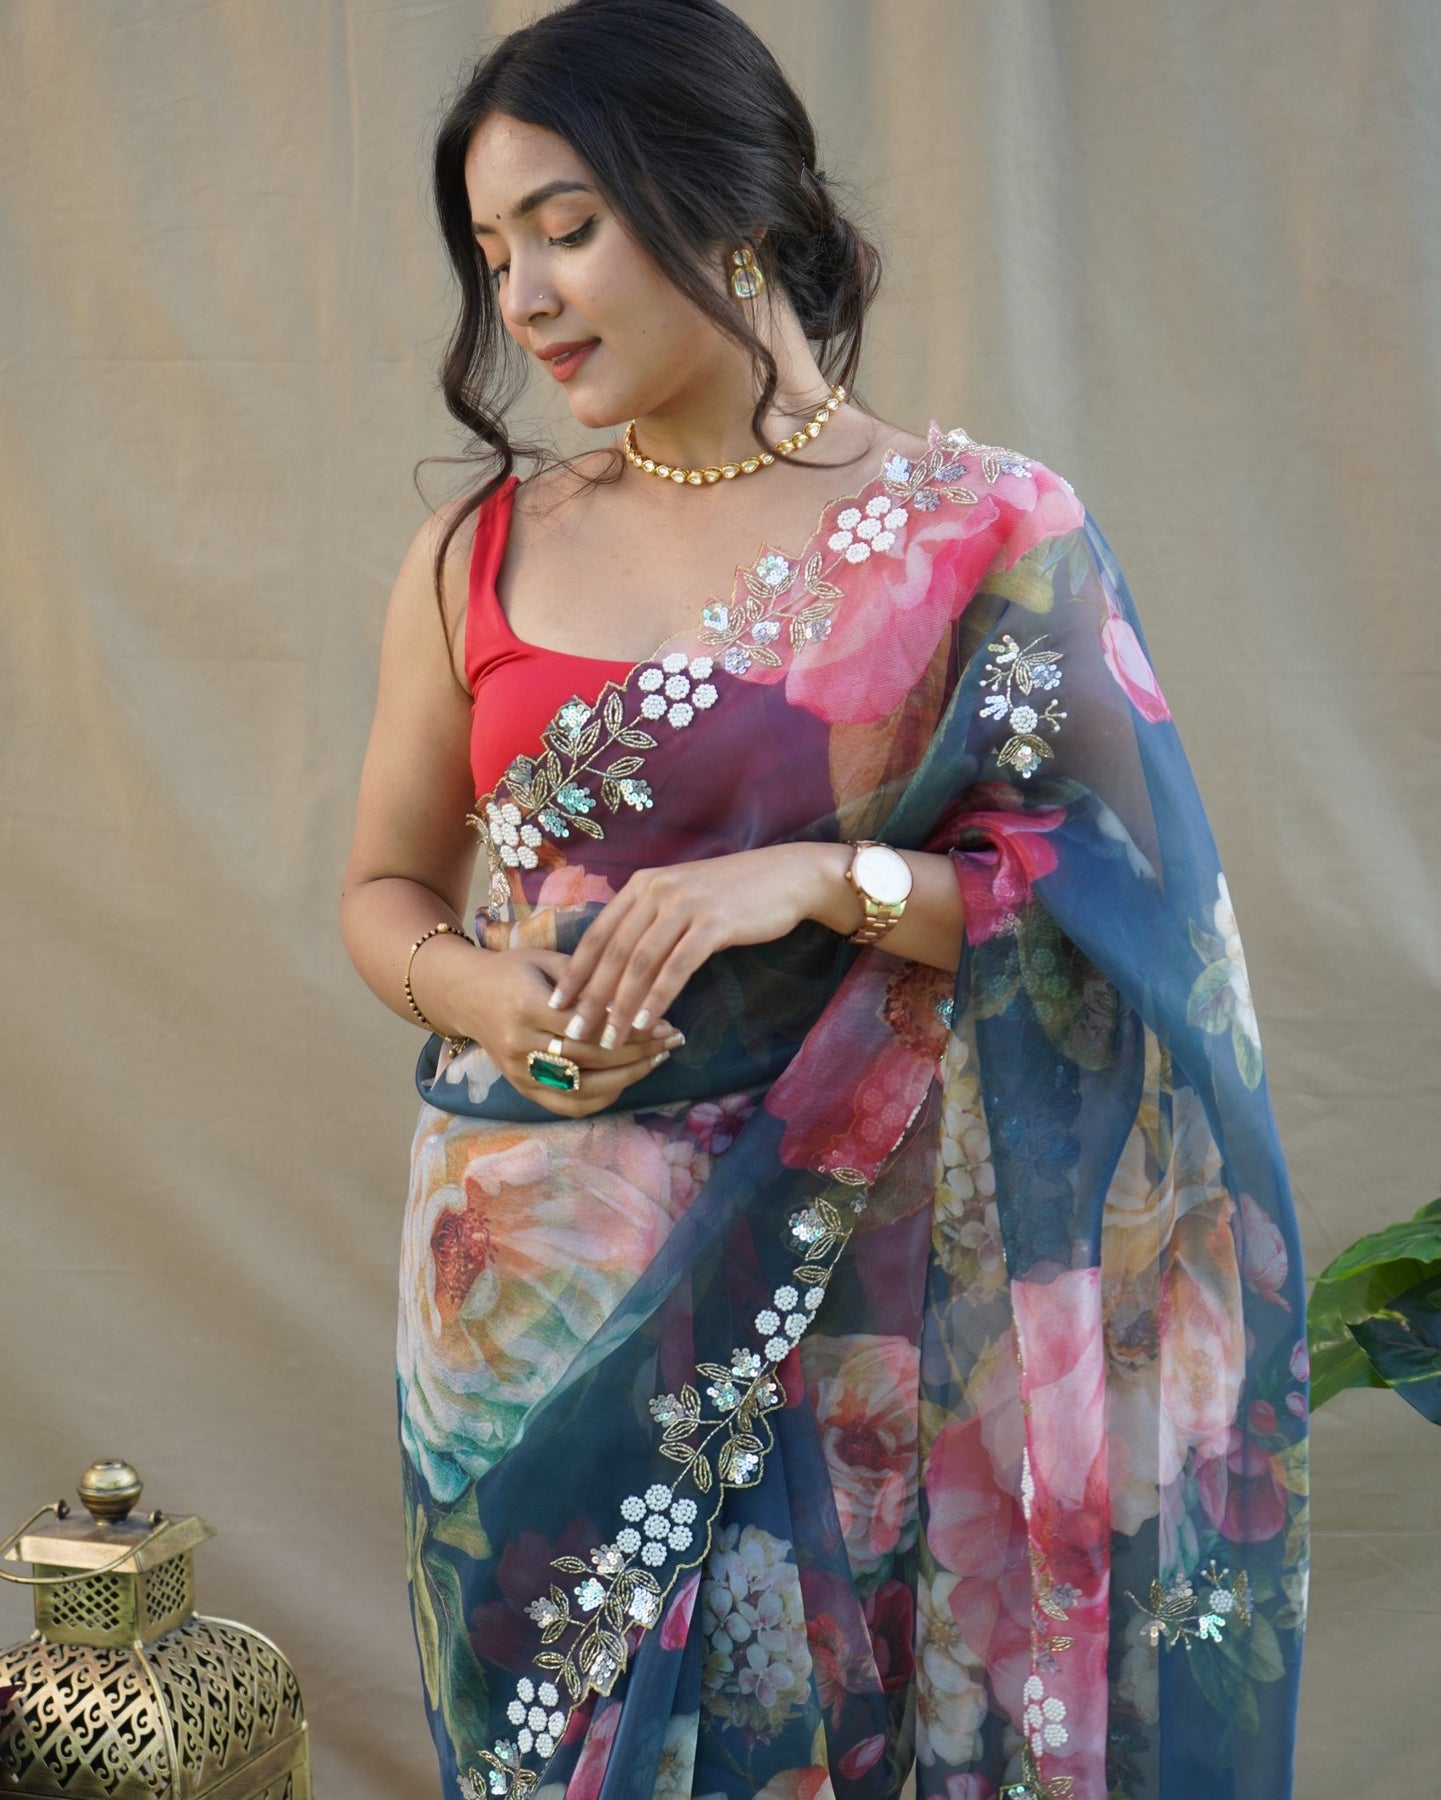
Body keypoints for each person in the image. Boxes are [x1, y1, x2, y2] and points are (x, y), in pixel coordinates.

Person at [339, 2, 1309, 1796]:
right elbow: (387, 886)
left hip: (861, 1270)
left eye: (566, 227)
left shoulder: (984, 534)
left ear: (725, 205)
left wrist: (812, 879)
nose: (522, 298)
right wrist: (475, 992)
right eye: (491, 252)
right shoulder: (481, 549)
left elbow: (1130, 917)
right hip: (531, 1280)